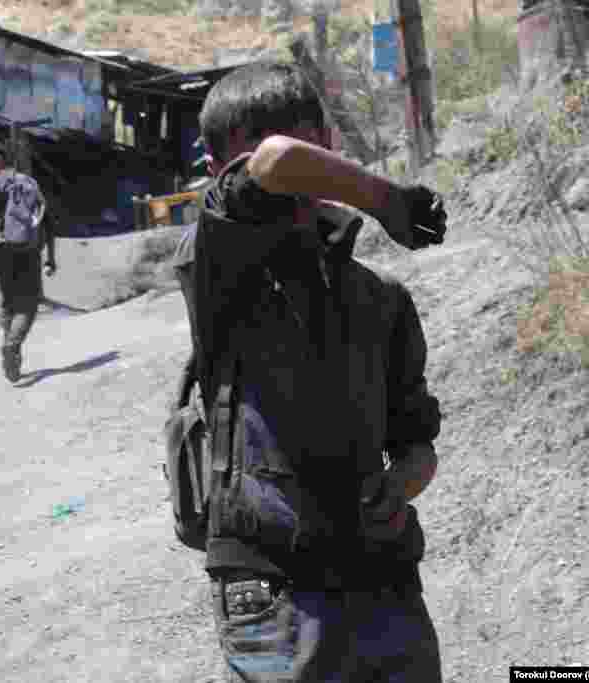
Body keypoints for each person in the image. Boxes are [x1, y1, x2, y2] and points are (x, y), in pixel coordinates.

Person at [172, 62, 448, 682]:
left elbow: (417, 443)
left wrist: (402, 482)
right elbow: (273, 162)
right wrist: (385, 199)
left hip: (386, 589)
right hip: (274, 597)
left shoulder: (382, 299)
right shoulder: (217, 264)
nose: (289, 188)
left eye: (312, 154)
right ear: (219, 174)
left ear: (331, 150)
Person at [0, 141, 58, 382]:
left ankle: (12, 353)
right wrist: (50, 257)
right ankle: (12, 346)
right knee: (29, 304)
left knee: (10, 303)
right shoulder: (29, 182)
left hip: (0, 250)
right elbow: (46, 220)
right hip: (28, 249)